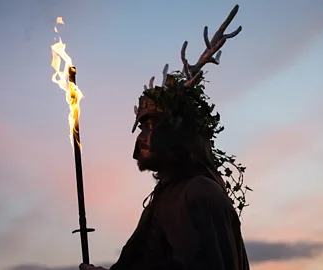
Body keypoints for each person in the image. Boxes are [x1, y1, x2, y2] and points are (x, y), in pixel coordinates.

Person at [81, 4, 250, 270]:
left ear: (176, 134)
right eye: (142, 128)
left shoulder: (199, 194)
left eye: (152, 126)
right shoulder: (167, 195)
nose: (142, 137)